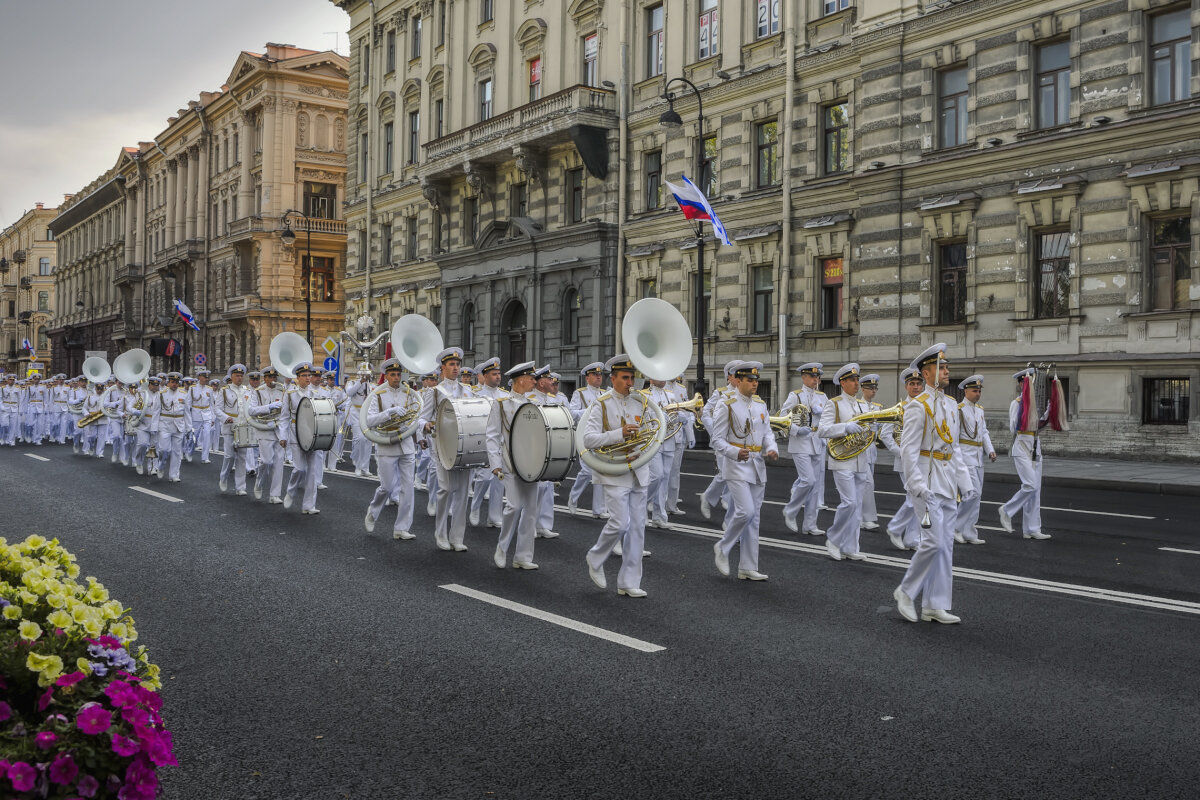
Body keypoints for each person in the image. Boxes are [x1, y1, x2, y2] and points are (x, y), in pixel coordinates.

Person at [894, 343, 974, 624]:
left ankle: (934, 605)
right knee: (932, 542)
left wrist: (964, 481)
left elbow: (954, 448)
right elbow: (908, 450)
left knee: (946, 546)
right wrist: (915, 485)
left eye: (947, 367)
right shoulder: (918, 407)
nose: (947, 372)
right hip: (925, 482)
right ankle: (905, 590)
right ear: (928, 373)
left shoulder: (951, 404)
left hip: (947, 481)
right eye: (942, 368)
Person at [583, 355, 653, 597]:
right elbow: (589, 439)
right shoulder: (601, 404)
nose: (630, 382)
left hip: (638, 470)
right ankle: (595, 556)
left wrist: (640, 451)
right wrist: (618, 434)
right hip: (614, 471)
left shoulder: (641, 403)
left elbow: (650, 435)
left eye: (632, 377)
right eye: (625, 378)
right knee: (620, 523)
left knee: (637, 529)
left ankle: (628, 582)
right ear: (612, 379)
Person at [709, 361, 778, 581]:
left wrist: (773, 448)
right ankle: (723, 546)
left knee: (754, 518)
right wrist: (733, 453)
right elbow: (717, 440)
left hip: (757, 464)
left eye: (756, 380)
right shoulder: (726, 404)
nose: (755, 383)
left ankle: (747, 566)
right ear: (738, 381)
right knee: (745, 511)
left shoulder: (760, 404)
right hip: (736, 465)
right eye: (750, 380)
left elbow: (767, 432)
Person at [485, 361, 542, 569]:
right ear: (520, 380)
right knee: (513, 506)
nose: (534, 382)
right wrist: (495, 464)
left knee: (531, 510)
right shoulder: (501, 404)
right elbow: (492, 435)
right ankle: (502, 547)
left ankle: (523, 557)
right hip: (509, 462)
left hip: (532, 463)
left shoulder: (534, 404)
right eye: (531, 378)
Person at [419, 347, 473, 551]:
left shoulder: (468, 390)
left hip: (464, 446)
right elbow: (422, 418)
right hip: (442, 445)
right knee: (446, 489)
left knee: (463, 492)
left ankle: (457, 537)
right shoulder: (434, 392)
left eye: (458, 365)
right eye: (451, 365)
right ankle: (440, 532)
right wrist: (423, 428)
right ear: (442, 368)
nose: (456, 368)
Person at [818, 363, 872, 561]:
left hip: (860, 459)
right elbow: (822, 430)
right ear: (843, 382)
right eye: (852, 380)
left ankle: (851, 546)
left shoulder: (863, 405)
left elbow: (867, 431)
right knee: (848, 503)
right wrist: (845, 427)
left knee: (857, 506)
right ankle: (833, 539)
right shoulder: (834, 403)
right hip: (842, 460)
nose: (856, 383)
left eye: (857, 380)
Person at [364, 359, 423, 540]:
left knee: (408, 488)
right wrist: (389, 413)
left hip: (406, 445)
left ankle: (401, 528)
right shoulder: (378, 395)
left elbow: (416, 418)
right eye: (393, 374)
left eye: (399, 374)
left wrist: (419, 438)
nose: (397, 378)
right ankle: (373, 511)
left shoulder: (409, 394)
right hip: (386, 444)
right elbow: (369, 421)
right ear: (386, 376)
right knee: (387, 487)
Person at [1000, 368, 1051, 540]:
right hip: (1021, 445)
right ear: (1022, 384)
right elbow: (1015, 425)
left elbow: (1038, 425)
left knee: (1035, 491)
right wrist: (1025, 407)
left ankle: (1031, 529)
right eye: (1028, 382)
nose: (1031, 386)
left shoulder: (1035, 403)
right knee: (1029, 484)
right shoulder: (1017, 403)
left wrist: (1048, 413)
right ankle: (1007, 510)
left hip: (1035, 446)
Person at [781, 362, 828, 536]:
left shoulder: (822, 397)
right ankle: (791, 510)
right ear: (803, 377)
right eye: (812, 376)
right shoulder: (795, 396)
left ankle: (810, 525)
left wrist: (826, 435)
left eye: (817, 377)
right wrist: (796, 430)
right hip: (800, 443)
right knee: (807, 480)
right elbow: (782, 418)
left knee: (815, 486)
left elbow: (828, 419)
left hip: (817, 442)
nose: (815, 380)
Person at [883, 368, 926, 550]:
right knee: (914, 498)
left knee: (919, 499)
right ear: (906, 386)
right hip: (905, 461)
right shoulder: (899, 408)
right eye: (912, 384)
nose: (916, 387)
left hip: (922, 460)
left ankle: (912, 539)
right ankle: (895, 527)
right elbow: (885, 434)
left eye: (918, 384)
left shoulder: (926, 405)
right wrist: (900, 451)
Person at [953, 374, 997, 545]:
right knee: (971, 494)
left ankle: (969, 532)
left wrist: (990, 450)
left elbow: (984, 432)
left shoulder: (979, 410)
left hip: (978, 456)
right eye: (974, 390)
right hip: (965, 457)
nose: (977, 393)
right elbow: (955, 437)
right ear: (966, 391)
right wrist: (956, 460)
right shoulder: (958, 410)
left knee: (977, 497)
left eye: (979, 390)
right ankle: (956, 528)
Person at [699, 360, 743, 520]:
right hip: (723, 440)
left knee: (737, 475)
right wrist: (716, 432)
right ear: (729, 377)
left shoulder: (745, 393)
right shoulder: (720, 393)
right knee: (725, 474)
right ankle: (709, 496)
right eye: (736, 375)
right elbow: (705, 413)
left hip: (739, 441)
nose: (739, 378)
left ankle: (730, 504)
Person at [281, 362, 325, 514]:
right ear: (297, 378)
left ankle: (308, 505)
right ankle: (291, 491)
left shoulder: (316, 394)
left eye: (309, 375)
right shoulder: (289, 395)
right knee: (299, 469)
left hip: (312, 433)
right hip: (295, 432)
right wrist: (283, 436)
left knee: (312, 471)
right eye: (304, 376)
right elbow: (284, 417)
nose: (308, 378)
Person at [468, 358, 505, 529]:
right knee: (483, 478)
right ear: (485, 376)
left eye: (498, 374)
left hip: (500, 443)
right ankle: (475, 507)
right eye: (494, 374)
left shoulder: (505, 395)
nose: (498, 377)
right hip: (483, 441)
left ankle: (494, 516)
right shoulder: (476, 395)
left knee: (499, 480)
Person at [526, 365, 562, 539]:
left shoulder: (552, 399)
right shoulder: (530, 399)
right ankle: (529, 524)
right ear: (540, 383)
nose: (552, 381)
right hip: (535, 447)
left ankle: (543, 525)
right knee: (536, 489)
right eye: (548, 379)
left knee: (547, 487)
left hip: (550, 447)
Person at [567, 362, 607, 518]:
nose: (598, 378)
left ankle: (599, 509)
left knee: (601, 471)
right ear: (587, 377)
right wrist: (590, 410)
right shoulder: (580, 393)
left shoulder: (605, 393)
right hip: (583, 435)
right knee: (587, 470)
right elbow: (572, 413)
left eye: (600, 375)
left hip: (601, 436)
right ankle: (573, 496)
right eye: (595, 375)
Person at [644, 376, 679, 530]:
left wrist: (680, 417)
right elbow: (643, 419)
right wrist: (657, 417)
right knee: (656, 476)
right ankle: (641, 505)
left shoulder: (670, 395)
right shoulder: (644, 395)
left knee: (665, 478)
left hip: (669, 439)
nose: (663, 378)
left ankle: (659, 516)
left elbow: (675, 414)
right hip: (653, 441)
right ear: (651, 378)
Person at [248, 366, 286, 503]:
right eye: (269, 377)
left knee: (278, 462)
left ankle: (274, 495)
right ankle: (259, 482)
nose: (272, 380)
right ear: (265, 378)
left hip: (279, 429)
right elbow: (251, 410)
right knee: (266, 461)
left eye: (274, 377)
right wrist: (268, 407)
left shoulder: (282, 391)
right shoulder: (258, 392)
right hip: (264, 429)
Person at [857, 374, 885, 532]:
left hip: (871, 451)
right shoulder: (857, 405)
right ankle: (864, 518)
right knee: (866, 484)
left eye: (875, 388)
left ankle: (864, 517)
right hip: (859, 448)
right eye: (870, 388)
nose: (873, 391)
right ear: (862, 389)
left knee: (866, 485)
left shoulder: (878, 407)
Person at [217, 365, 249, 494]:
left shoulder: (247, 391)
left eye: (241, 375)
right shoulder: (224, 391)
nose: (239, 378)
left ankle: (240, 487)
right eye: (237, 375)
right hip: (229, 426)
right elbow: (217, 409)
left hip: (242, 427)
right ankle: (223, 477)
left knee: (242, 457)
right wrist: (226, 418)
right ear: (231, 377)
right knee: (229, 455)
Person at [156, 372, 189, 483]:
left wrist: (189, 428)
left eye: (176, 382)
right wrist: (154, 427)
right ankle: (161, 466)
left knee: (177, 451)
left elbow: (187, 412)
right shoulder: (161, 393)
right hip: (165, 424)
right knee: (164, 450)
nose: (174, 384)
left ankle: (174, 475)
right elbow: (156, 412)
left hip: (179, 425)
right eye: (172, 382)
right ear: (168, 383)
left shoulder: (184, 394)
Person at [344, 365, 375, 477]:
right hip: (355, 413)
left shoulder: (370, 385)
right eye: (364, 373)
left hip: (366, 414)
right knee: (359, 439)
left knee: (367, 441)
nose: (366, 376)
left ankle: (365, 468)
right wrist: (361, 381)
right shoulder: (352, 383)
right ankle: (357, 465)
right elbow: (349, 393)